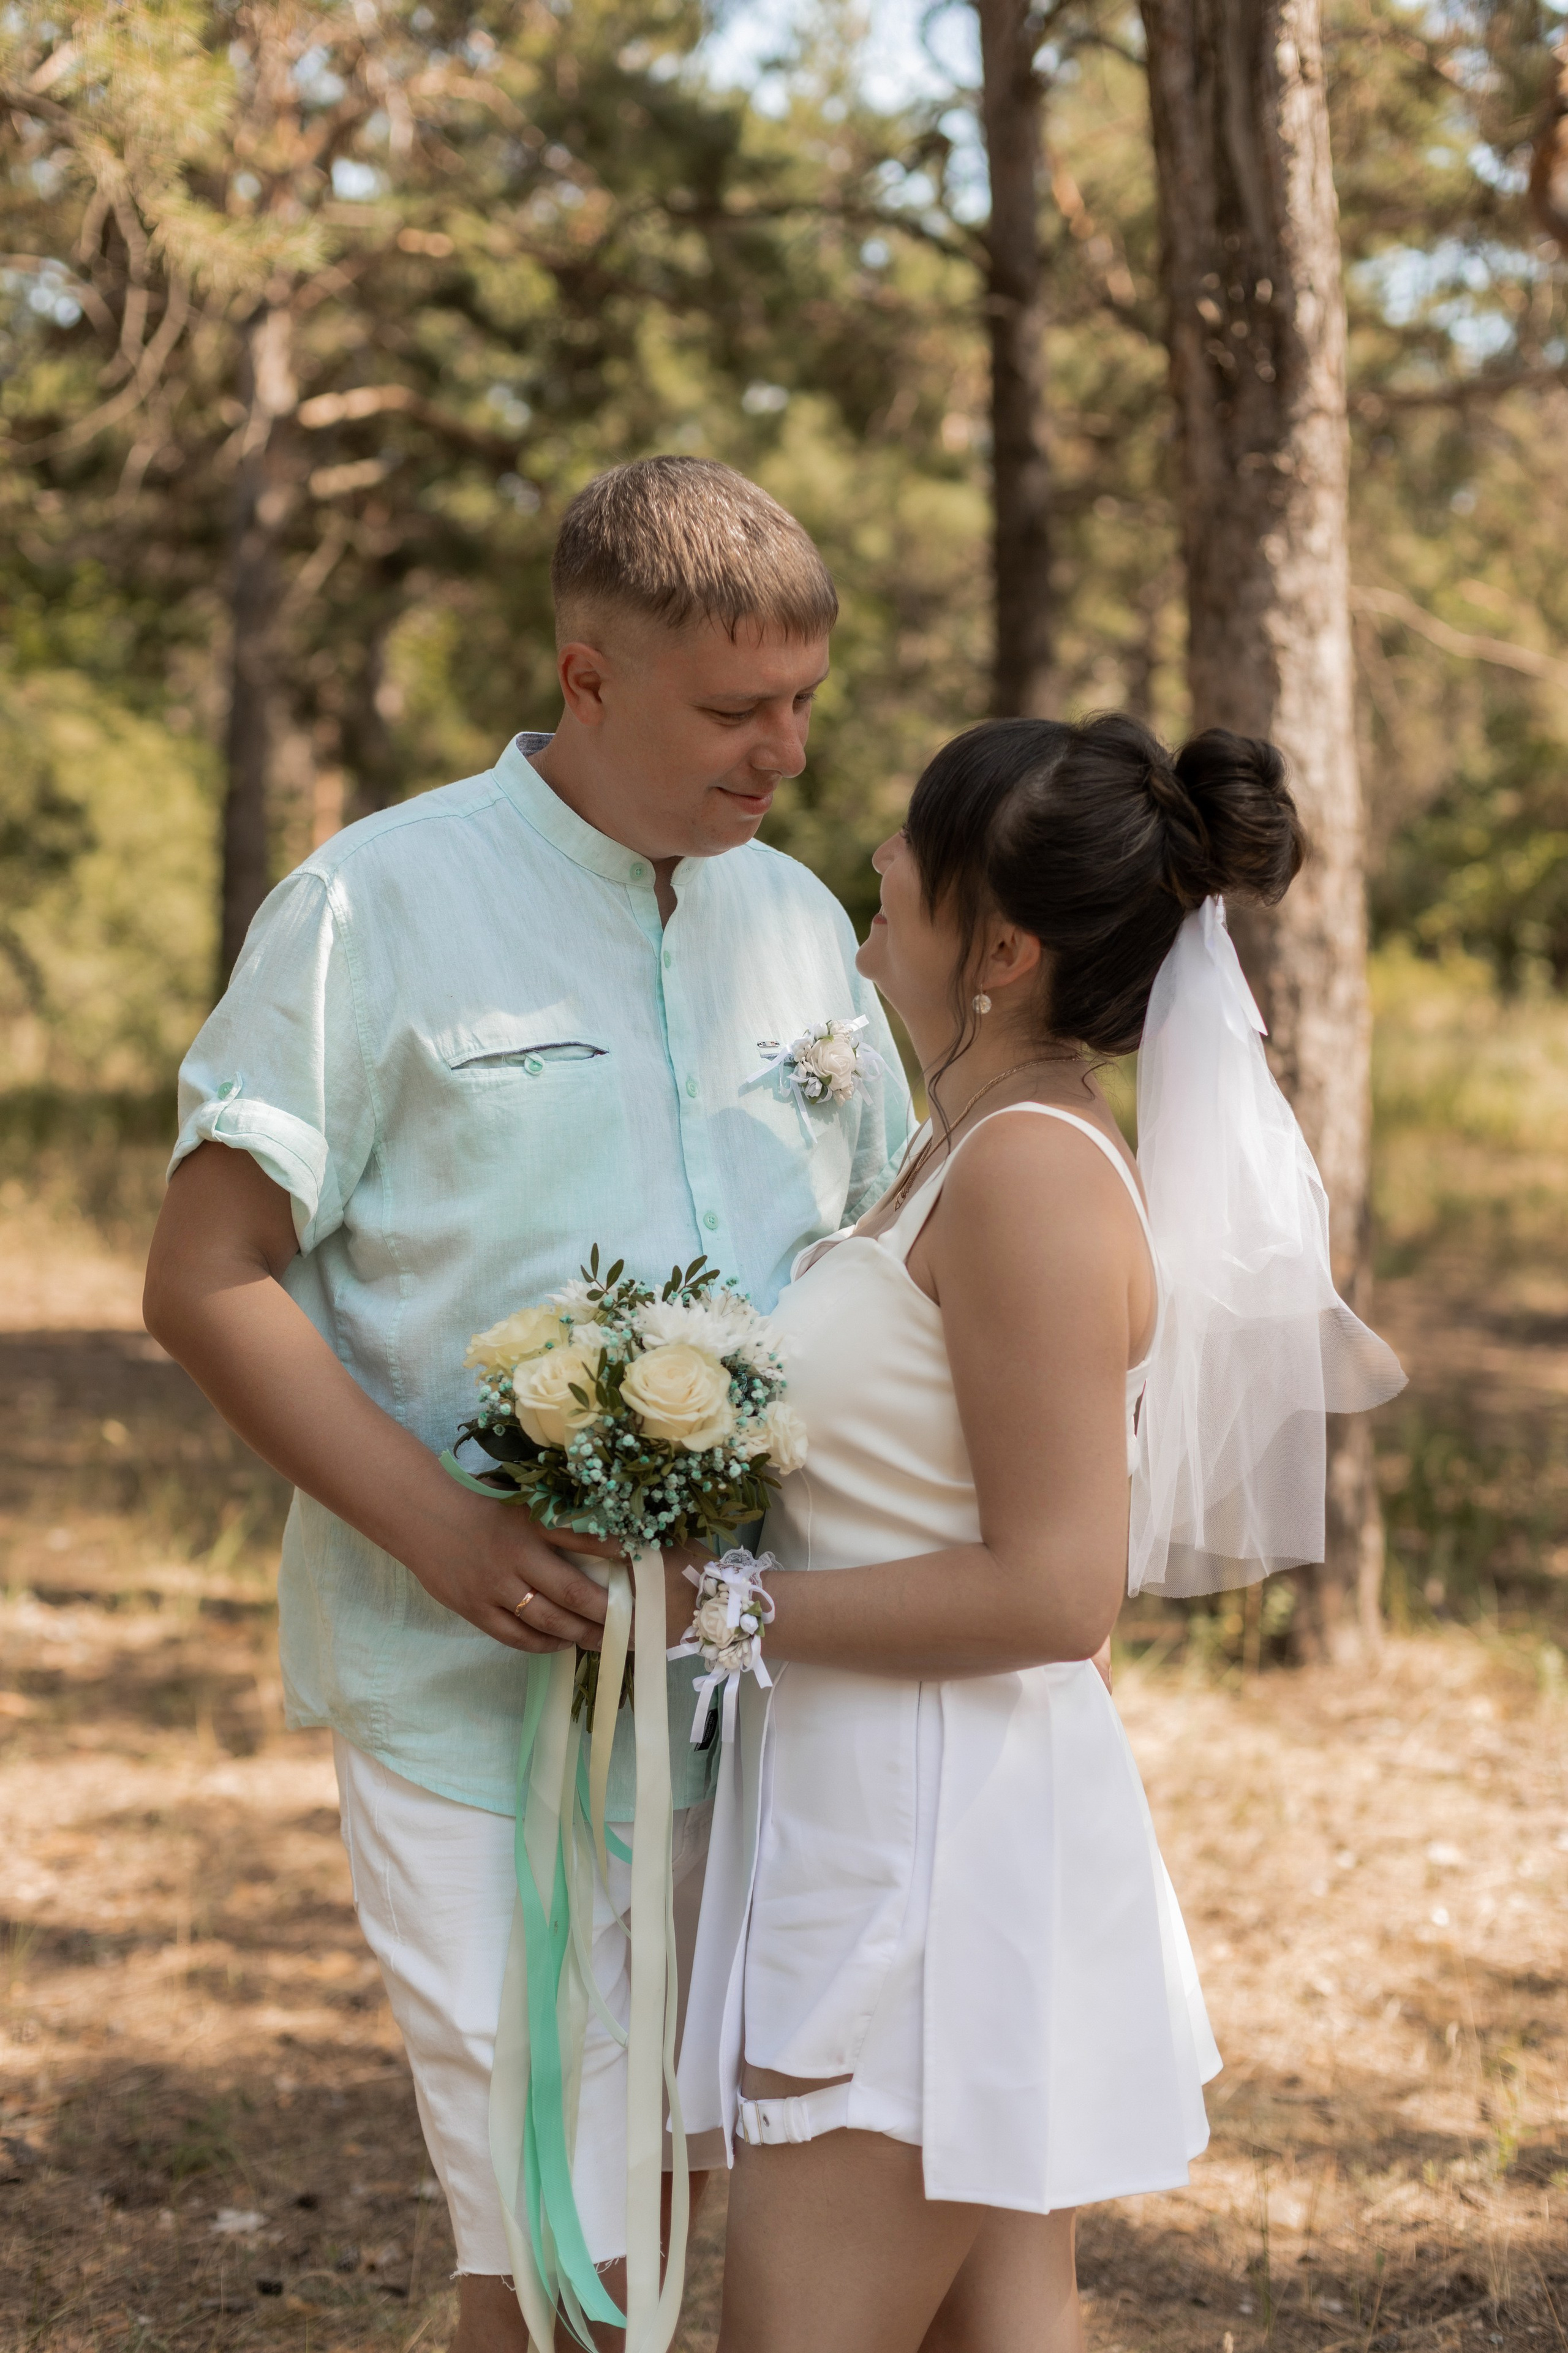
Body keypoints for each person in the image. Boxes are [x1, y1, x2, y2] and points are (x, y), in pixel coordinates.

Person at [141, 456, 912, 2353]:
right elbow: (205, 1274)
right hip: (469, 1691)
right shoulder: (368, 906)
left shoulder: (804, 922)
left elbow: (892, 1240)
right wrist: (452, 1532)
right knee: (565, 2252)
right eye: (739, 710)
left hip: (757, 1695)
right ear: (586, 677)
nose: (785, 753)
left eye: (804, 701)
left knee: (645, 2210)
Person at [673, 711, 1400, 2353]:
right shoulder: (968, 1145)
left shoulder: (1030, 1179)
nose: (877, 858)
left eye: (912, 851)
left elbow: (1063, 1586)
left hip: (928, 1855)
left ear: (997, 944)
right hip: (911, 1815)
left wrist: (709, 1599)